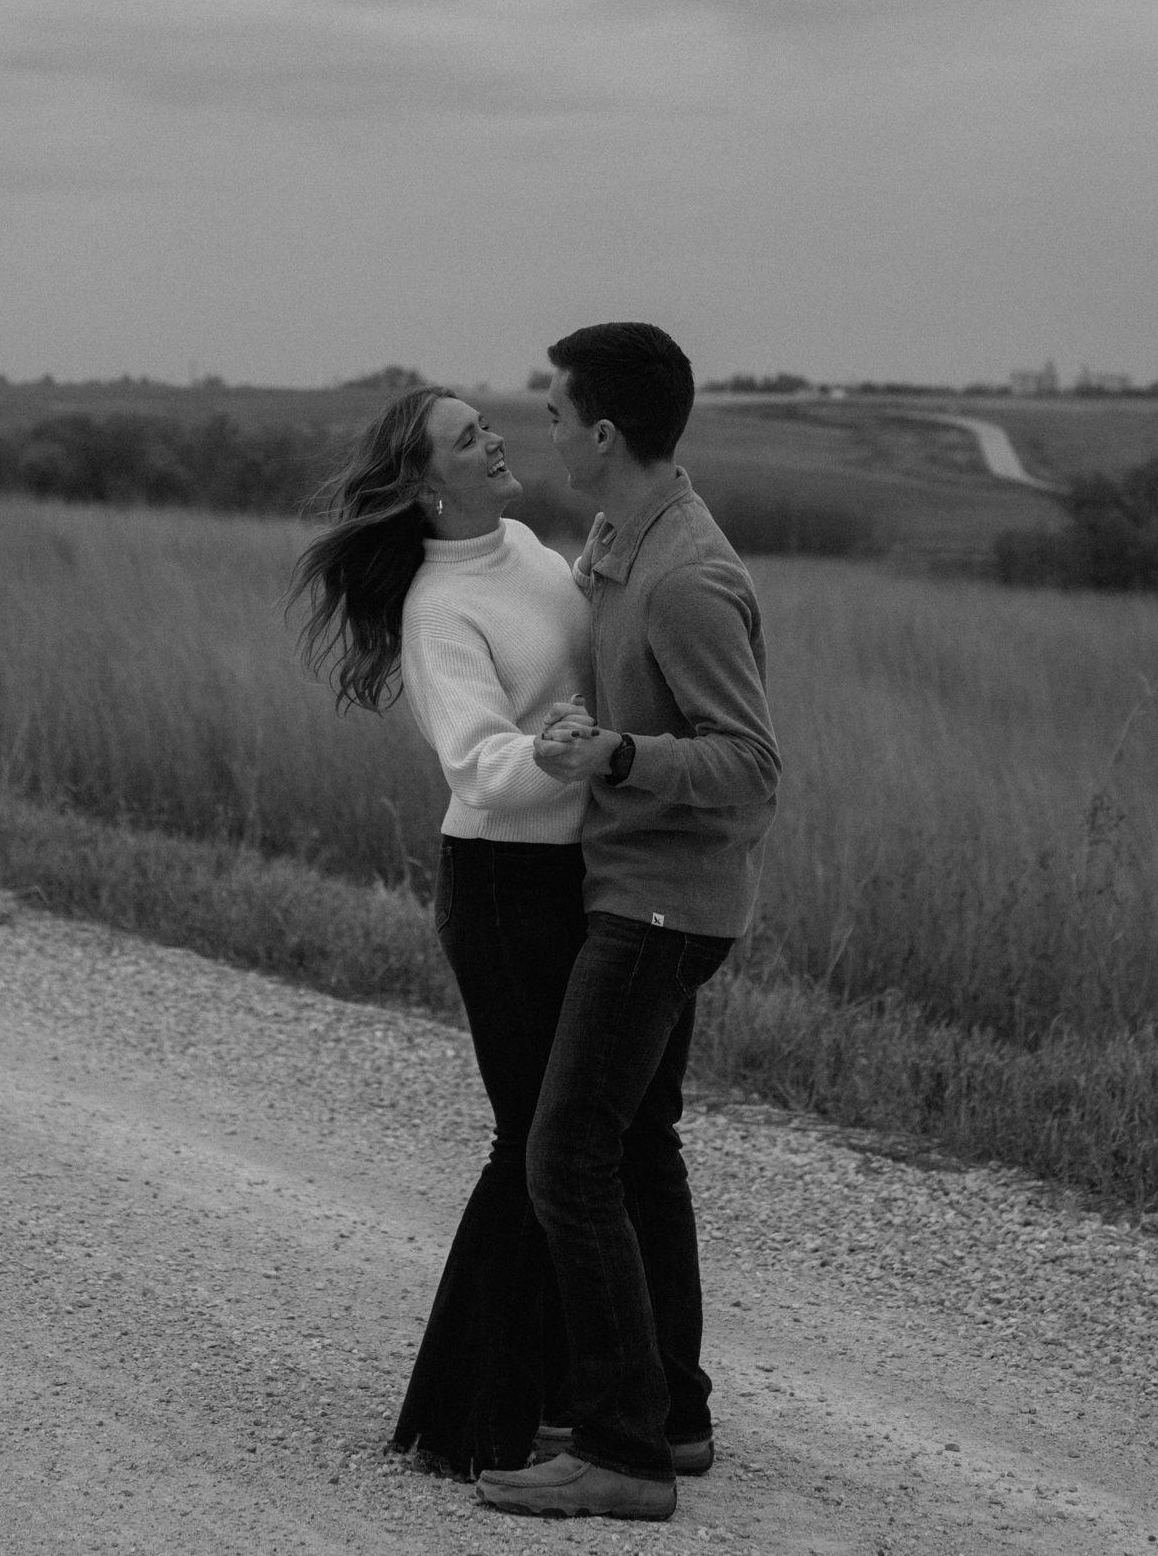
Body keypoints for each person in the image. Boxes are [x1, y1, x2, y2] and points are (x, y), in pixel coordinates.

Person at [474, 323, 781, 1524]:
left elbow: (748, 768)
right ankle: (676, 1419)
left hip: (662, 904)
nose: (540, 430)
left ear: (602, 432)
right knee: (640, 1148)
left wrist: (615, 755)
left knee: (565, 1157)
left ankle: (619, 1452)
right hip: (638, 889)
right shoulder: (622, 539)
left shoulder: (689, 575)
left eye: (553, 412)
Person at [290, 385, 594, 1476]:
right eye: (469, 438)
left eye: (486, 425)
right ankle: (465, 1420)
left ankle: (552, 1397)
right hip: (504, 887)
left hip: (574, 876)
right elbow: (477, 763)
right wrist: (550, 754)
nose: (495, 439)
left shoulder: (531, 552)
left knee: (566, 1148)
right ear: (427, 486)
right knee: (533, 1146)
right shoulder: (438, 608)